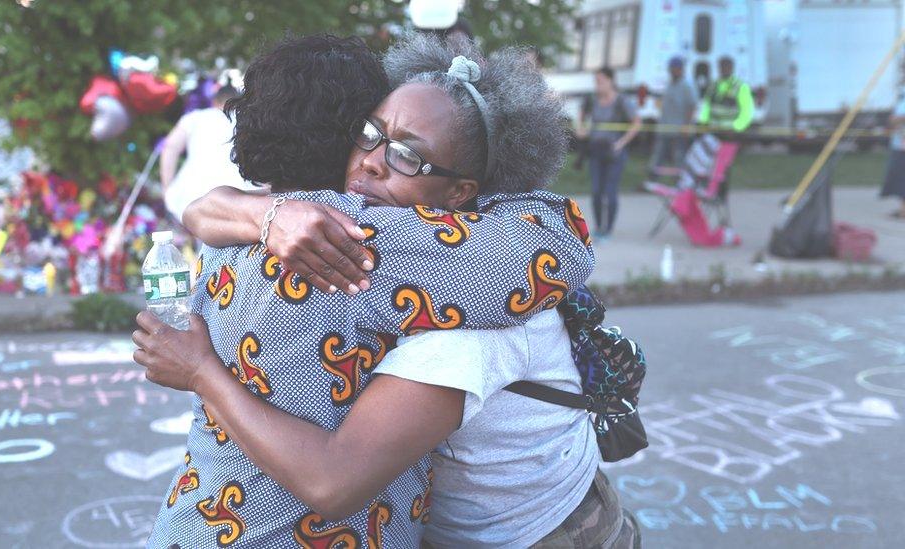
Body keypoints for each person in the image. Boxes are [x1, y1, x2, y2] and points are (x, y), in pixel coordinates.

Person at [133, 35, 641, 548]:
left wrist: (201, 370)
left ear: (461, 193)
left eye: (407, 156)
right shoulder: (311, 224)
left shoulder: (444, 275)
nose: (373, 161)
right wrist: (261, 213)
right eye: (369, 134)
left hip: (547, 532)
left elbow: (562, 243)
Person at [159, 84, 259, 225]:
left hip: (193, 195)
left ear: (214, 101)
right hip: (241, 196)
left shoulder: (195, 118)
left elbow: (170, 148)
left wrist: (167, 188)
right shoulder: (250, 121)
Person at [578, 67, 641, 239]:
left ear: (611, 80)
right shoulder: (592, 99)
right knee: (596, 191)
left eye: (601, 81)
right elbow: (582, 116)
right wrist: (581, 129)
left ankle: (608, 229)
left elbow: (637, 123)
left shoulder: (622, 101)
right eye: (596, 81)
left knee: (610, 192)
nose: (597, 85)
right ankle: (599, 228)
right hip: (596, 151)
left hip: (615, 153)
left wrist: (621, 142)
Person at [649, 56, 697, 172]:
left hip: (679, 129)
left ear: (681, 69)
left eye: (675, 68)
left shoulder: (687, 85)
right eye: (671, 68)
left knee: (679, 157)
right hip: (665, 127)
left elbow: (691, 106)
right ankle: (651, 181)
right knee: (658, 156)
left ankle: (680, 183)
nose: (672, 71)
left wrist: (687, 126)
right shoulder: (669, 84)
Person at [698, 56, 754, 135]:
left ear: (732, 68)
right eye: (722, 66)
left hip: (731, 133)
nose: (724, 69)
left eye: (727, 66)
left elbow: (747, 110)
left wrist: (737, 127)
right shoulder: (713, 85)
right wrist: (703, 123)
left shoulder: (740, 86)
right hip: (713, 131)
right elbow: (706, 106)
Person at [881, 92, 905, 219]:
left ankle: (903, 211)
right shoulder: (902, 96)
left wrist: (898, 119)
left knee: (902, 178)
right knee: (900, 178)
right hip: (899, 145)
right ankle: (902, 209)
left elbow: (897, 119)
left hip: (902, 147)